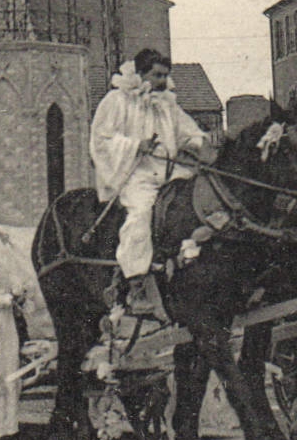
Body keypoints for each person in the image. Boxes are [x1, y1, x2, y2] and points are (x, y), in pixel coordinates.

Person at [89, 49, 219, 318]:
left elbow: (187, 132)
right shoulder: (116, 100)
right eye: (156, 75)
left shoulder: (166, 104)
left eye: (165, 75)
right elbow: (101, 140)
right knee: (141, 213)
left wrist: (202, 142)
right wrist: (136, 145)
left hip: (170, 171)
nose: (162, 81)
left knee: (200, 198)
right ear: (140, 74)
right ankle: (137, 284)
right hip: (135, 174)